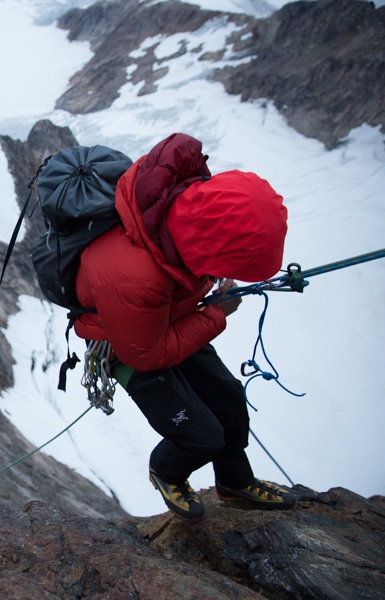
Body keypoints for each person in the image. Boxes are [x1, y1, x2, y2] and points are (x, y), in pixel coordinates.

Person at [73, 133, 296, 521]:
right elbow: (145, 354)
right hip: (126, 347)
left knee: (227, 399)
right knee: (201, 436)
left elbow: (182, 270)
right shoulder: (134, 276)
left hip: (164, 317)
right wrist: (217, 314)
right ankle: (167, 471)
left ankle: (234, 481)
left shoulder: (186, 218)